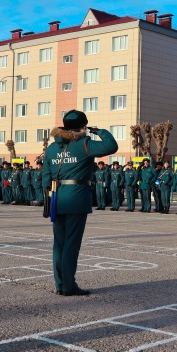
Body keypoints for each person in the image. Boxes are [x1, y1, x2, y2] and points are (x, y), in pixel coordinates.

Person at [42, 110, 117, 296]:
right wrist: (99, 131)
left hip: (56, 198)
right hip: (76, 197)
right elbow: (111, 146)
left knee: (58, 243)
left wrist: (49, 198)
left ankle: (60, 284)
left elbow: (45, 176)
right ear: (82, 126)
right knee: (71, 244)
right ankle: (69, 286)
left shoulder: (52, 148)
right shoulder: (84, 144)